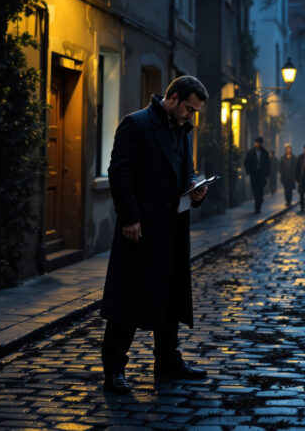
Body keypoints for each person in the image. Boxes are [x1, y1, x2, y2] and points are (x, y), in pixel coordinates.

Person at [101, 76, 210, 395]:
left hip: (173, 228)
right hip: (141, 229)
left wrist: (196, 189)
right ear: (173, 98)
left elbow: (184, 172)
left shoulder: (183, 130)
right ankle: (114, 370)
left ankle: (167, 361)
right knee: (129, 299)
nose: (191, 115)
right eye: (189, 108)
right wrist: (130, 218)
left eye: (195, 111)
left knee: (170, 297)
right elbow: (118, 172)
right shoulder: (136, 124)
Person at [243, 137, 271, 213]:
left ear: (261, 144)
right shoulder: (250, 152)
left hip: (261, 175)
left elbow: (267, 164)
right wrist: (249, 171)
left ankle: (258, 206)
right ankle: (257, 204)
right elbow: (246, 162)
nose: (257, 144)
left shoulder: (264, 152)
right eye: (256, 143)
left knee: (260, 190)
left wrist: (267, 175)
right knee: (255, 190)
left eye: (258, 143)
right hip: (254, 174)